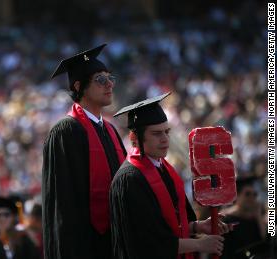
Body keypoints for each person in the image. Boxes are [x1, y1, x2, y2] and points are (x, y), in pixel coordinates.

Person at [110, 92, 234, 259]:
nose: (165, 139)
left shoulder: (164, 169)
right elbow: (148, 241)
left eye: (166, 132)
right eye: (156, 133)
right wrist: (199, 244)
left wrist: (196, 227)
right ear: (135, 139)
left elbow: (166, 227)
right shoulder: (130, 180)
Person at [42, 44, 127, 259]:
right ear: (78, 86)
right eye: (100, 79)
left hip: (113, 242)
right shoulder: (65, 131)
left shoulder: (110, 130)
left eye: (110, 78)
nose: (109, 84)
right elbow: (61, 204)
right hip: (82, 245)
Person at [220, 176, 270, 259]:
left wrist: (258, 216)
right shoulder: (227, 220)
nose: (252, 198)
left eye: (255, 194)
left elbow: (265, 241)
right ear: (237, 196)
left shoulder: (257, 219)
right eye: (247, 194)